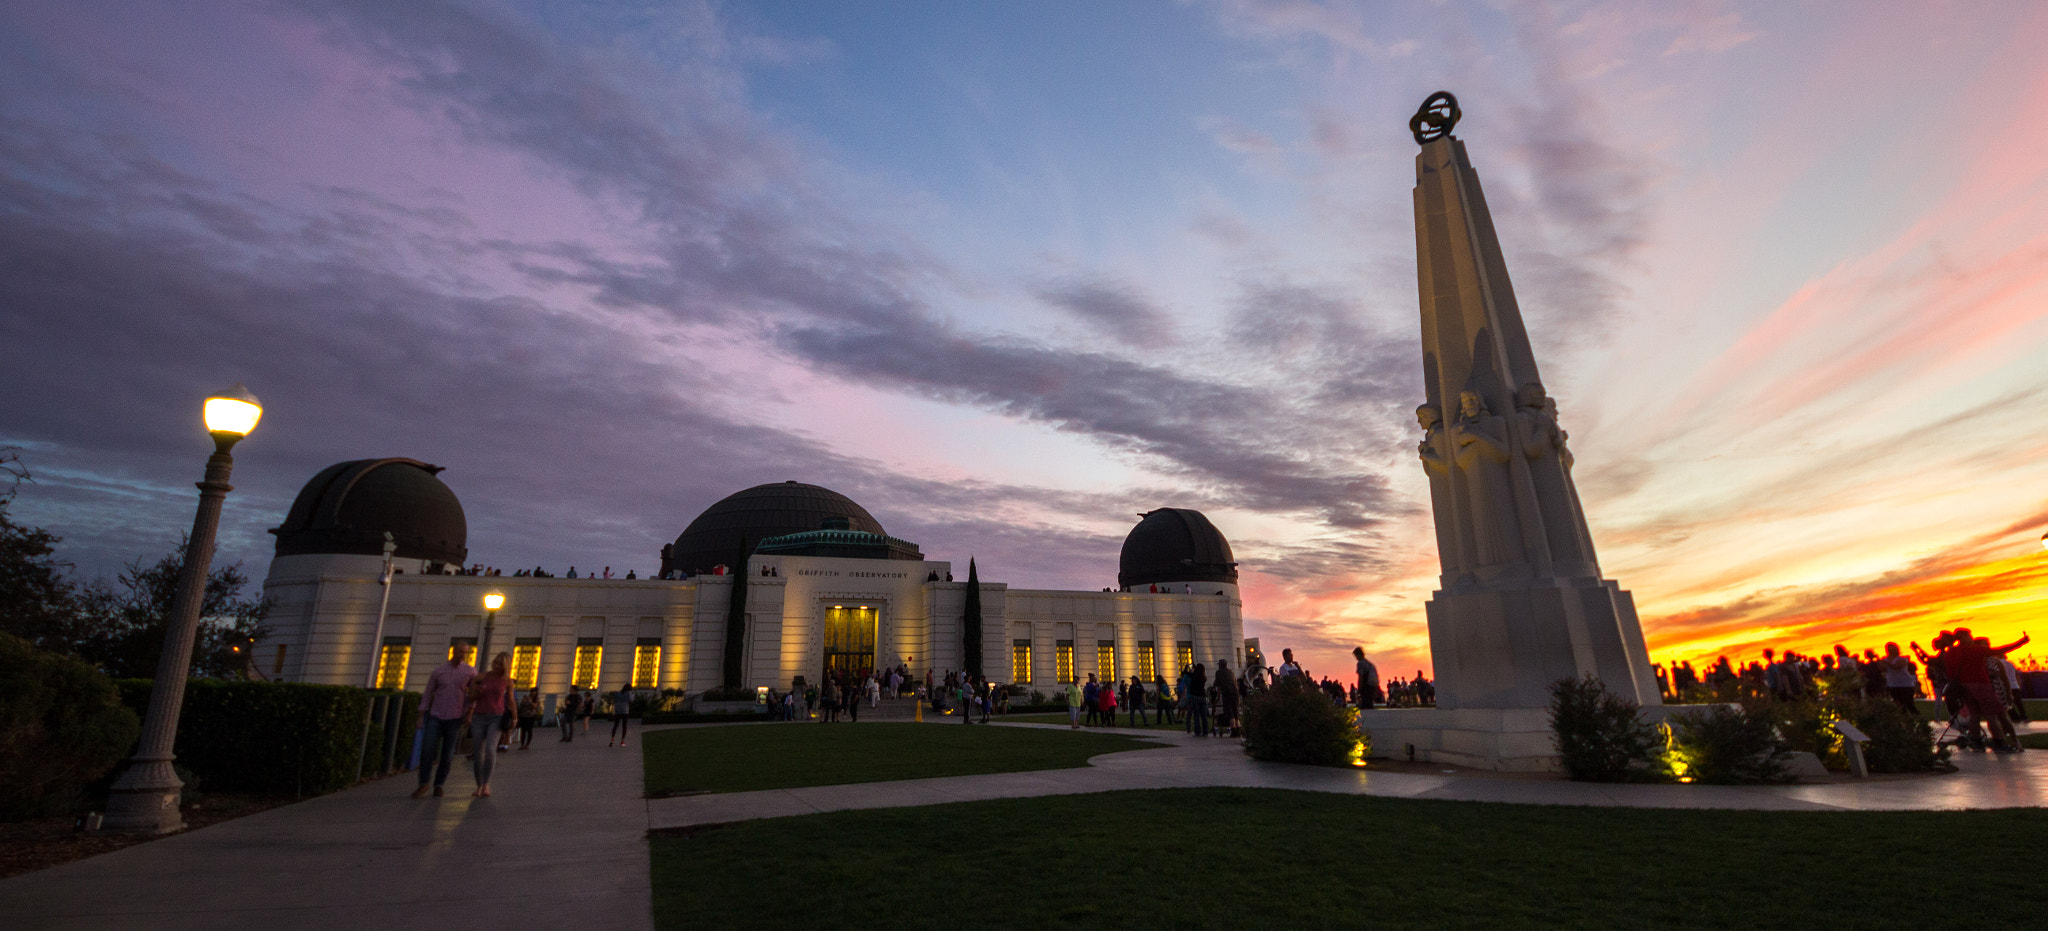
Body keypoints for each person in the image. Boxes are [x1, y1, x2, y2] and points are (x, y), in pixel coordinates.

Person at [413, 642, 477, 798]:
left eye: (465, 652)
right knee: (427, 749)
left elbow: (473, 695)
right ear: (453, 652)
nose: (462, 655)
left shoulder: (470, 672)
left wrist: (469, 713)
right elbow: (428, 693)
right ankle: (424, 783)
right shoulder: (439, 671)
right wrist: (421, 715)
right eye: (460, 652)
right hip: (436, 715)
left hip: (455, 717)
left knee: (447, 754)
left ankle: (439, 784)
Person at [467, 651, 515, 797]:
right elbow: (471, 697)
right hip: (479, 717)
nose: (496, 665)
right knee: (478, 752)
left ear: (505, 666)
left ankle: (486, 783)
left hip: (496, 717)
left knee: (490, 749)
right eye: (495, 662)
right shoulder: (481, 677)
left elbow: (511, 701)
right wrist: (478, 691)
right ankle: (479, 784)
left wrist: (514, 717)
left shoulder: (507, 681)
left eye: (500, 664)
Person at [1213, 660, 1239, 737]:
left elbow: (1217, 685)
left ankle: (1233, 730)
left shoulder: (1218, 673)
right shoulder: (1231, 672)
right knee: (1235, 711)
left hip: (1227, 693)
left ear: (1220, 665)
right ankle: (1238, 729)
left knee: (1230, 712)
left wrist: (1217, 696)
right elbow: (1235, 682)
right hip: (1235, 693)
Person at [1185, 663, 1210, 737]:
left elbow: (1185, 673)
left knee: (1196, 715)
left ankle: (1198, 731)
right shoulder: (1203, 678)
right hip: (1203, 696)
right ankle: (1205, 731)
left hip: (1195, 696)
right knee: (1204, 715)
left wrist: (1188, 667)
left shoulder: (1194, 676)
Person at [609, 683, 633, 747]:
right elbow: (631, 700)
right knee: (624, 726)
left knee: (615, 725)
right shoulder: (629, 693)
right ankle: (622, 741)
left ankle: (612, 739)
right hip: (625, 711)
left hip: (617, 711)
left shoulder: (617, 693)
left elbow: (614, 701)